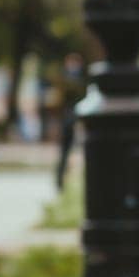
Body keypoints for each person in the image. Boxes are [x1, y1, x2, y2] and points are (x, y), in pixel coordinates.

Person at [53, 52, 87, 191]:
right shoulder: (66, 79)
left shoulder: (75, 79)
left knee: (70, 151)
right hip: (68, 119)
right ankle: (61, 180)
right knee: (65, 151)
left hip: (72, 118)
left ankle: (65, 180)